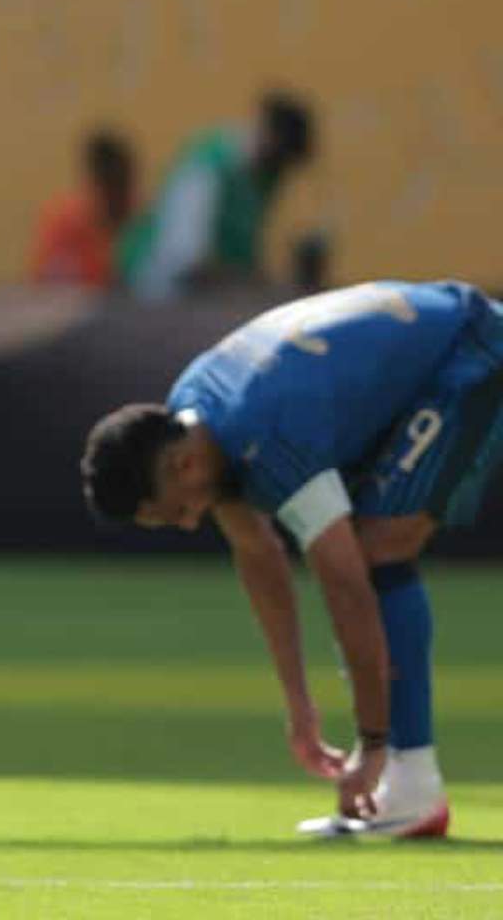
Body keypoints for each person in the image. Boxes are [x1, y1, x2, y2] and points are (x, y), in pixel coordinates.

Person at [81, 280, 503, 838]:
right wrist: (299, 709)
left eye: (175, 513)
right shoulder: (194, 418)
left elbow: (345, 586)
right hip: (418, 357)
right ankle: (411, 785)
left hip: (471, 347)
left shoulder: (271, 435)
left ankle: (410, 785)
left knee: (378, 551)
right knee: (369, 548)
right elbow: (259, 554)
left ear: (182, 469)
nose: (188, 522)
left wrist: (371, 743)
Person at [118, 89, 315, 300]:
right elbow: (188, 261)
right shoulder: (208, 169)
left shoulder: (260, 179)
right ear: (269, 137)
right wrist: (252, 284)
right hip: (159, 296)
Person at [29, 128, 134, 288]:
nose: (116, 198)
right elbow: (45, 287)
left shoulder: (141, 221)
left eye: (121, 188)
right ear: (93, 183)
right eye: (109, 188)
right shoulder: (64, 225)